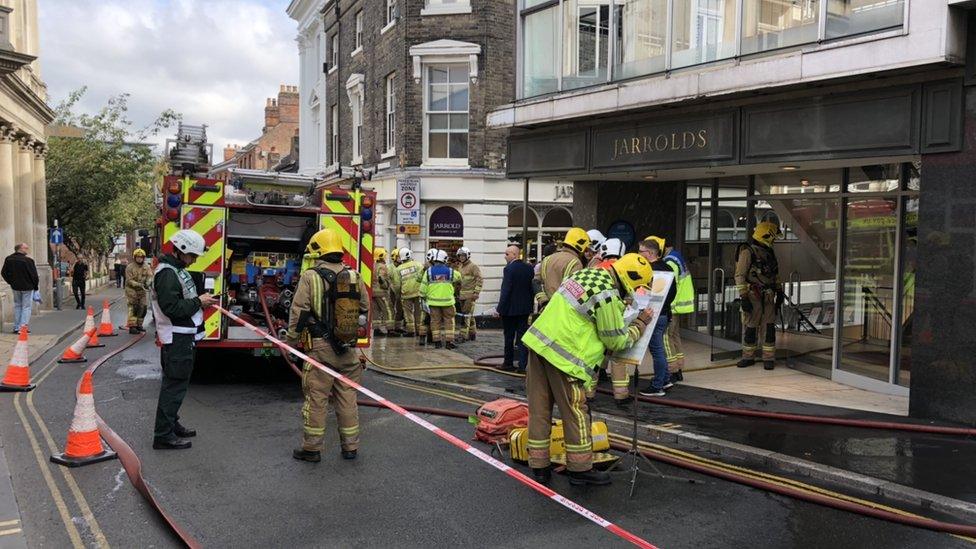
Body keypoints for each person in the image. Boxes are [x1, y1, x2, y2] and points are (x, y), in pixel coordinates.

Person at [522, 253, 654, 486]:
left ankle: (539, 466)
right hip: (565, 359)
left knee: (540, 409)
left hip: (538, 346)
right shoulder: (608, 294)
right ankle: (580, 469)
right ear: (629, 280)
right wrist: (640, 324)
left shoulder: (586, 274)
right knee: (576, 412)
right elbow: (616, 341)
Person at [287, 228, 370, 463]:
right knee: (347, 398)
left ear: (318, 250)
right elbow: (363, 308)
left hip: (320, 349)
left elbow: (298, 313)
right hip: (348, 348)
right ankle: (350, 447)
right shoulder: (354, 275)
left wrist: (291, 344)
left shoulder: (310, 276)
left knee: (317, 399)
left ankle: (311, 449)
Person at [150, 230, 217, 450]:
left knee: (176, 384)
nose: (195, 260)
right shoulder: (168, 274)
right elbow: (172, 308)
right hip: (176, 336)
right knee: (174, 385)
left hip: (183, 335)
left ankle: (171, 423)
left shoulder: (177, 270)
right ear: (183, 251)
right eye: (194, 255)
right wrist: (200, 302)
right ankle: (163, 435)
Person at [736, 221, 783, 371]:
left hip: (769, 297)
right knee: (750, 327)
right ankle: (747, 357)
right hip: (752, 296)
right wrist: (744, 297)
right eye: (773, 238)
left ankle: (768, 358)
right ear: (767, 236)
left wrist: (779, 291)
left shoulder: (770, 253)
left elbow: (775, 275)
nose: (774, 241)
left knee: (769, 328)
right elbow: (739, 275)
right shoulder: (747, 252)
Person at [647, 236, 695, 384]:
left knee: (665, 339)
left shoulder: (669, 262)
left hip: (672, 306)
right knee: (674, 336)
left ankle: (673, 370)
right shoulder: (676, 257)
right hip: (678, 305)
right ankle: (679, 368)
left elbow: (667, 288)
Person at [637, 238, 677, 397]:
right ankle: (666, 379)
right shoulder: (667, 268)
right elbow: (673, 293)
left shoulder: (648, 270)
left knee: (656, 349)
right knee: (659, 347)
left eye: (641, 251)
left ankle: (657, 385)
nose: (639, 254)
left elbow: (642, 293)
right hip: (665, 313)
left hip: (653, 314)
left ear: (651, 253)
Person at [497, 245, 533, 371]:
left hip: (510, 310)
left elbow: (506, 290)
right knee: (522, 337)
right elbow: (531, 288)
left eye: (507, 254)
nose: (505, 256)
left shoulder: (509, 269)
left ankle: (508, 363)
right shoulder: (529, 268)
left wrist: (499, 309)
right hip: (524, 309)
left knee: (509, 337)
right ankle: (523, 365)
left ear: (514, 255)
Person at [534, 227, 590, 309]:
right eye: (586, 249)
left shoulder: (547, 259)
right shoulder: (576, 262)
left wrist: (544, 302)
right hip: (564, 310)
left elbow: (535, 282)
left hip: (546, 309)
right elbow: (575, 293)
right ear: (581, 245)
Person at [421, 250, 461, 350]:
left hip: (433, 303)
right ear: (445, 260)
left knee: (435, 322)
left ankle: (437, 342)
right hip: (448, 302)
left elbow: (422, 288)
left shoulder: (428, 272)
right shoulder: (451, 272)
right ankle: (449, 342)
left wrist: (423, 298)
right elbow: (459, 278)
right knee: (449, 321)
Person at [1, 243, 39, 333]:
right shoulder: (28, 261)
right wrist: (35, 287)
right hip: (27, 287)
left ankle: (16, 327)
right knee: (26, 307)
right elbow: (34, 276)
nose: (27, 250)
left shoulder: (9, 259)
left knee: (18, 306)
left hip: (15, 287)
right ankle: (23, 328)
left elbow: (3, 272)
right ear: (20, 249)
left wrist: (10, 282)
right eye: (26, 248)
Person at [394, 248, 424, 344]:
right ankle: (419, 330)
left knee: (408, 312)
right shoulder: (418, 264)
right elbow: (423, 278)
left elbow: (397, 284)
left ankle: (411, 331)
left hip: (406, 294)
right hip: (418, 292)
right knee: (418, 312)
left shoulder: (398, 269)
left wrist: (398, 294)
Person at [456, 247, 483, 342]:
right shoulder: (460, 267)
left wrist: (476, 292)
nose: (462, 257)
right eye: (460, 256)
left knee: (465, 316)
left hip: (470, 296)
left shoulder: (473, 266)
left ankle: (462, 335)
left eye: (463, 255)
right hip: (462, 295)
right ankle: (472, 334)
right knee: (469, 316)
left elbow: (479, 279)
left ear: (467, 256)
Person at [125, 249, 153, 334]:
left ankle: (139, 325)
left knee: (143, 308)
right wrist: (138, 284)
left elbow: (150, 276)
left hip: (142, 291)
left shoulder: (146, 267)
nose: (139, 259)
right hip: (131, 291)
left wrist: (148, 282)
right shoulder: (130, 267)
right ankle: (132, 327)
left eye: (141, 257)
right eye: (138, 257)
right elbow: (129, 280)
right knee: (134, 308)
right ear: (135, 257)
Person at [371, 247, 395, 337]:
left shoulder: (373, 266)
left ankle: (376, 330)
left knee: (376, 311)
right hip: (381, 292)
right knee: (388, 310)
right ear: (381, 256)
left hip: (373, 292)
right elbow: (382, 280)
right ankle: (390, 330)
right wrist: (385, 285)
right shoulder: (382, 266)